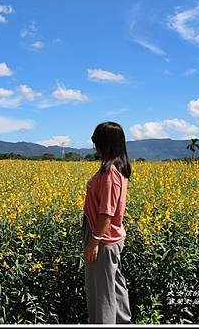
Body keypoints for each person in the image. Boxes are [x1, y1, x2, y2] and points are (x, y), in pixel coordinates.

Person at [82, 121, 132, 324]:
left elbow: (106, 213)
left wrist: (94, 242)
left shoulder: (110, 172)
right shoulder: (118, 168)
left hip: (103, 239)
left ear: (105, 143)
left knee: (101, 294)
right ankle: (123, 322)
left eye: (96, 141)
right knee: (114, 287)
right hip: (109, 237)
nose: (94, 145)